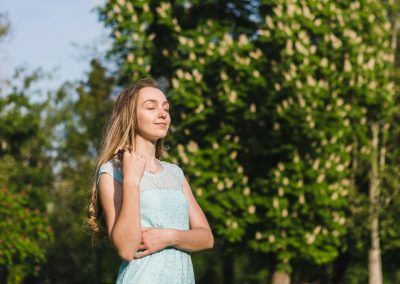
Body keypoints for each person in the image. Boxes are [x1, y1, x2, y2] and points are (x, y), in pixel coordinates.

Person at [86, 78, 214, 283]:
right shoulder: (111, 172)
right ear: (130, 116)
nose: (163, 113)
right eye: (151, 107)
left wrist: (169, 237)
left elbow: (206, 238)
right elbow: (126, 249)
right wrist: (131, 181)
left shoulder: (175, 173)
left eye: (166, 108)